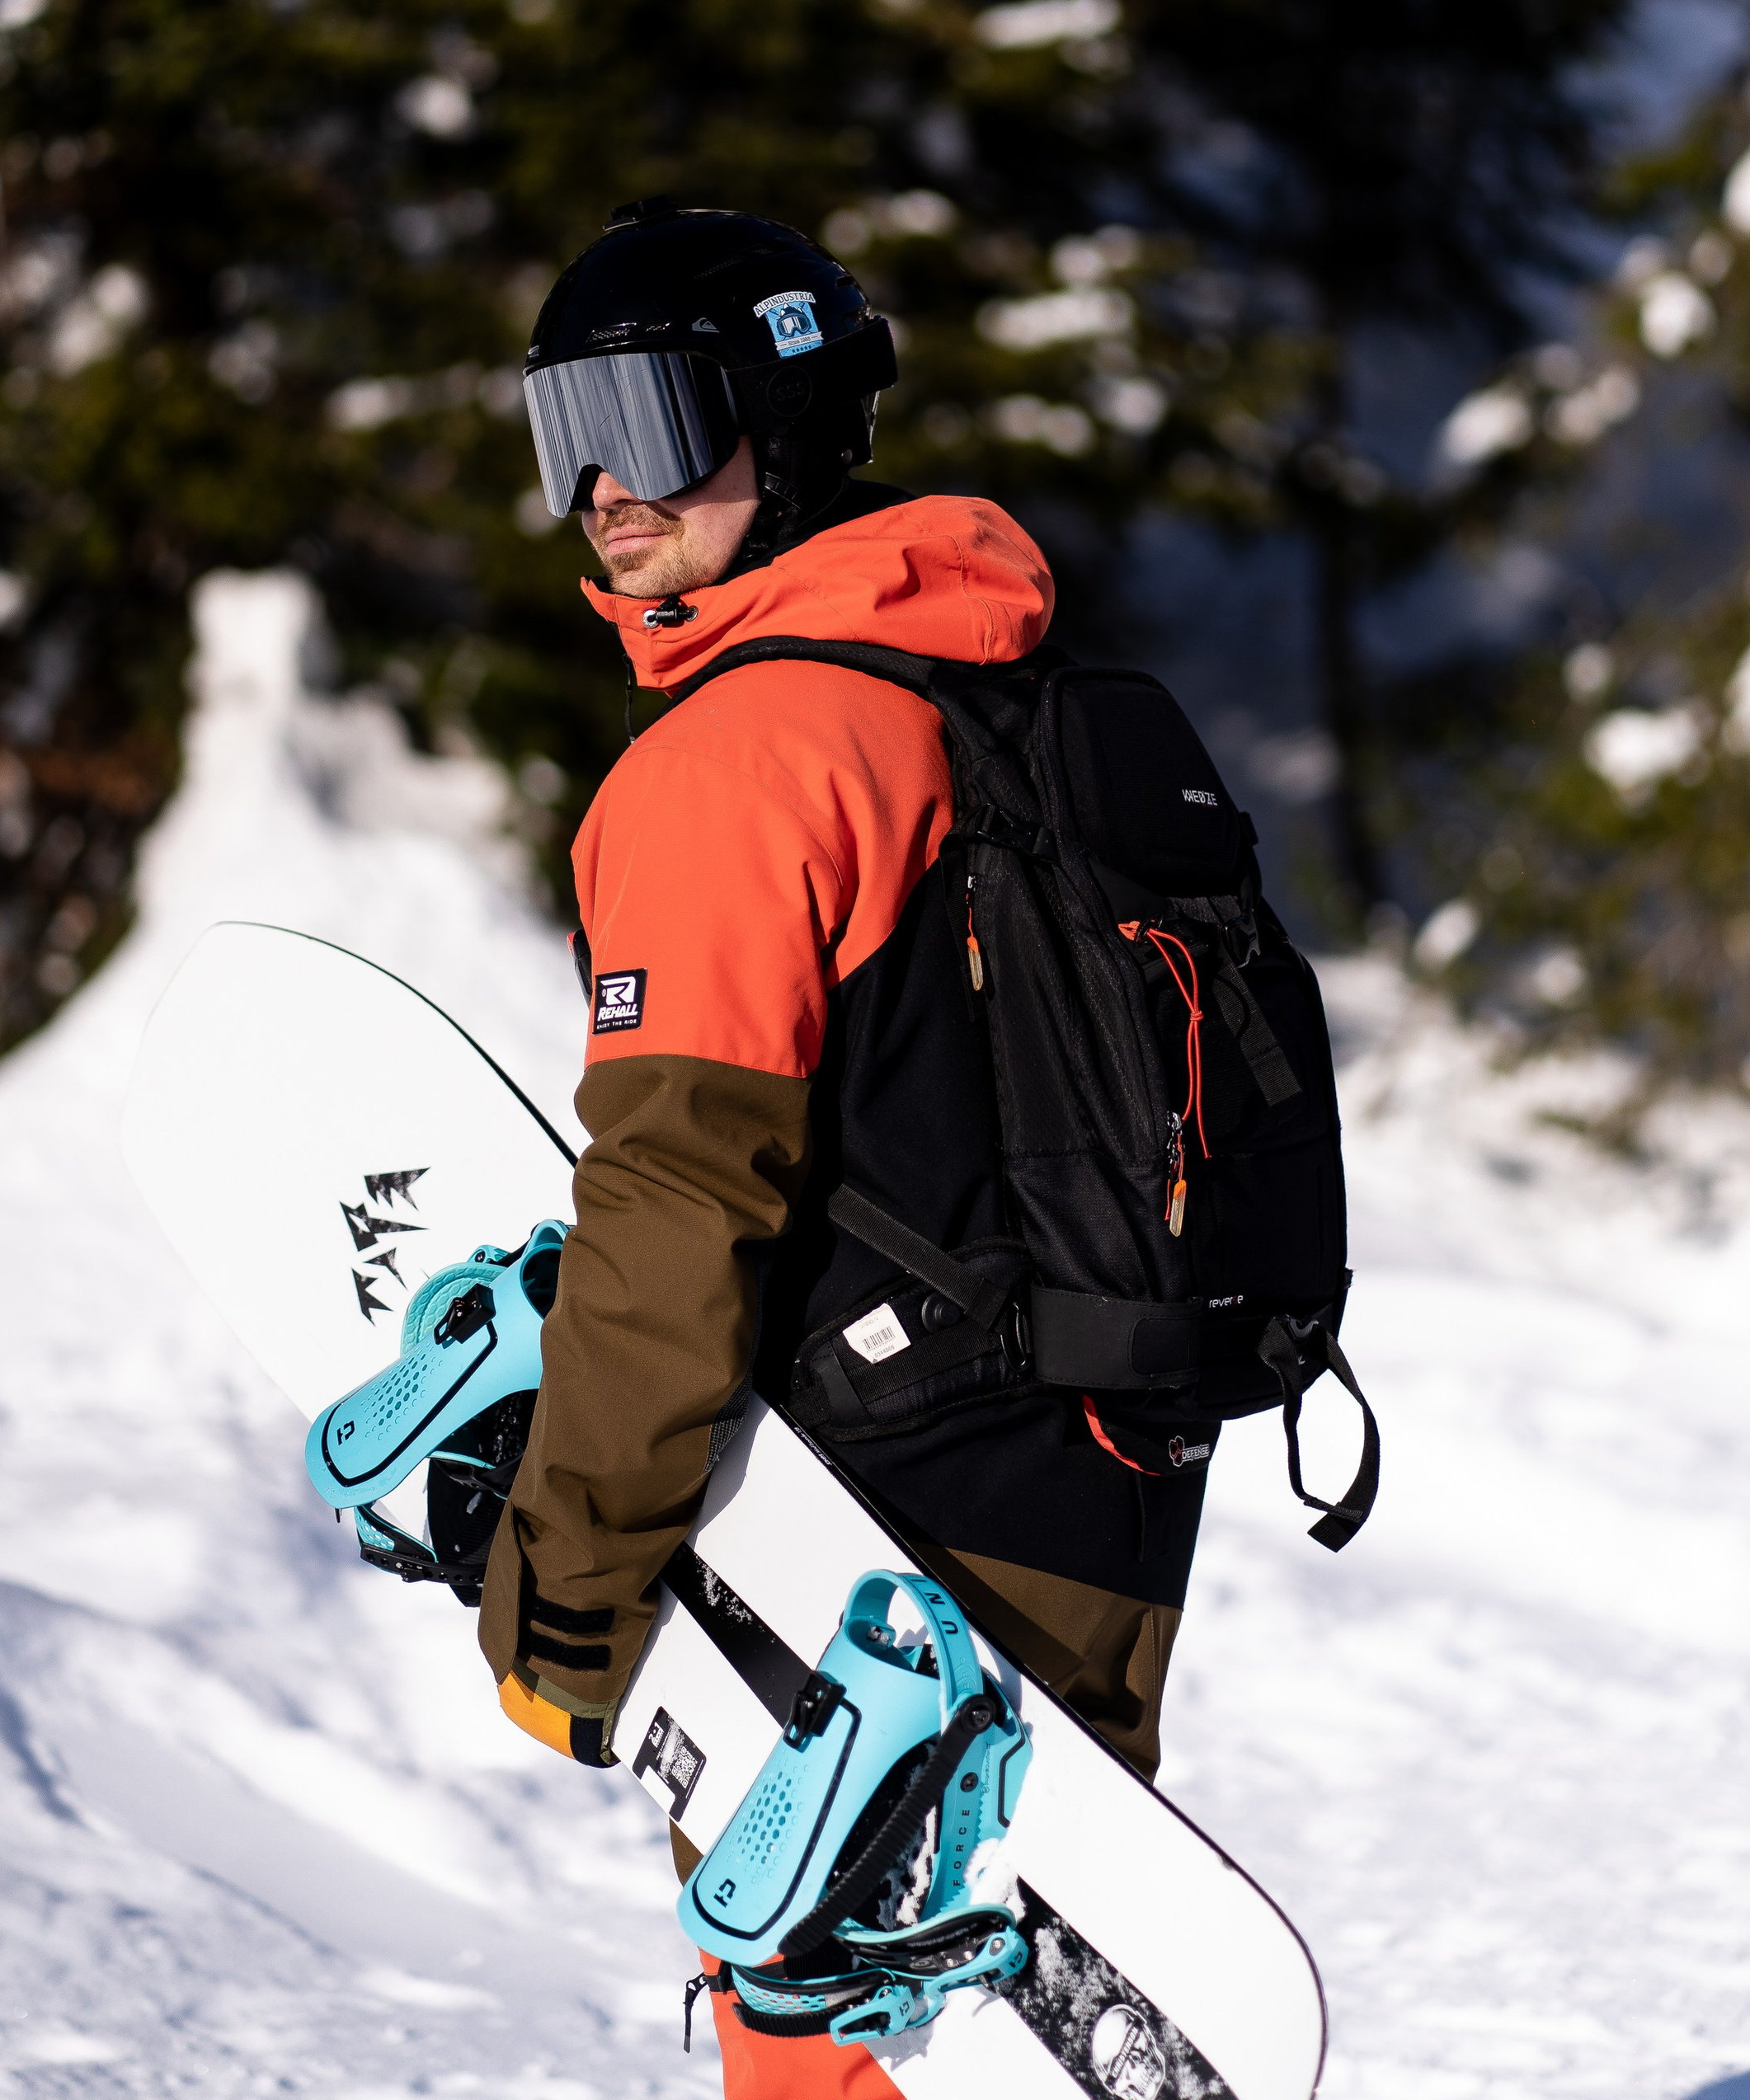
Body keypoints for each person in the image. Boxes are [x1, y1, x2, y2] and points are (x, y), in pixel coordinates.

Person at [478, 200, 1214, 2098]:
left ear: (783, 421)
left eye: (649, 424)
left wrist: (571, 1579)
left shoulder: (736, 762)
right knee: (1003, 2043)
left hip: (874, 1532)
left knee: (843, 2044)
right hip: (1100, 1464)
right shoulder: (990, 680)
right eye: (565, 438)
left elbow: (672, 1202)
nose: (603, 494)